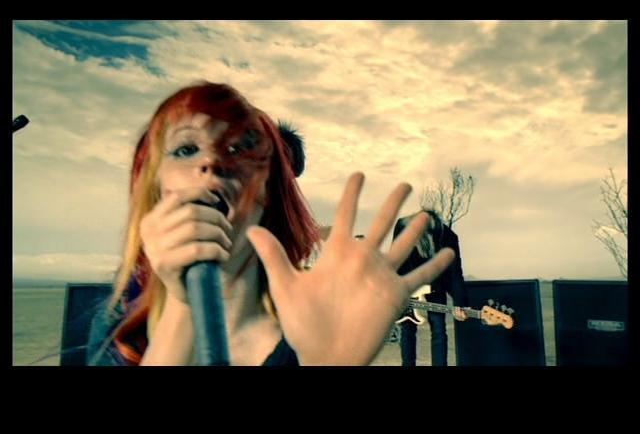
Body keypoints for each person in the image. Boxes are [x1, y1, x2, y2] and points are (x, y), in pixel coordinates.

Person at [87, 81, 455, 366]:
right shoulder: (121, 316)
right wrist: (182, 310)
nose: (213, 164)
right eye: (186, 149)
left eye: (243, 152)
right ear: (152, 185)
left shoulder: (302, 317)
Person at [393, 209, 468, 366]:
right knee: (407, 329)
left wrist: (460, 303)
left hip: (436, 284)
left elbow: (455, 272)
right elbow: (397, 260)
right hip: (408, 283)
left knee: (438, 328)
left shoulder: (448, 237)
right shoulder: (402, 226)